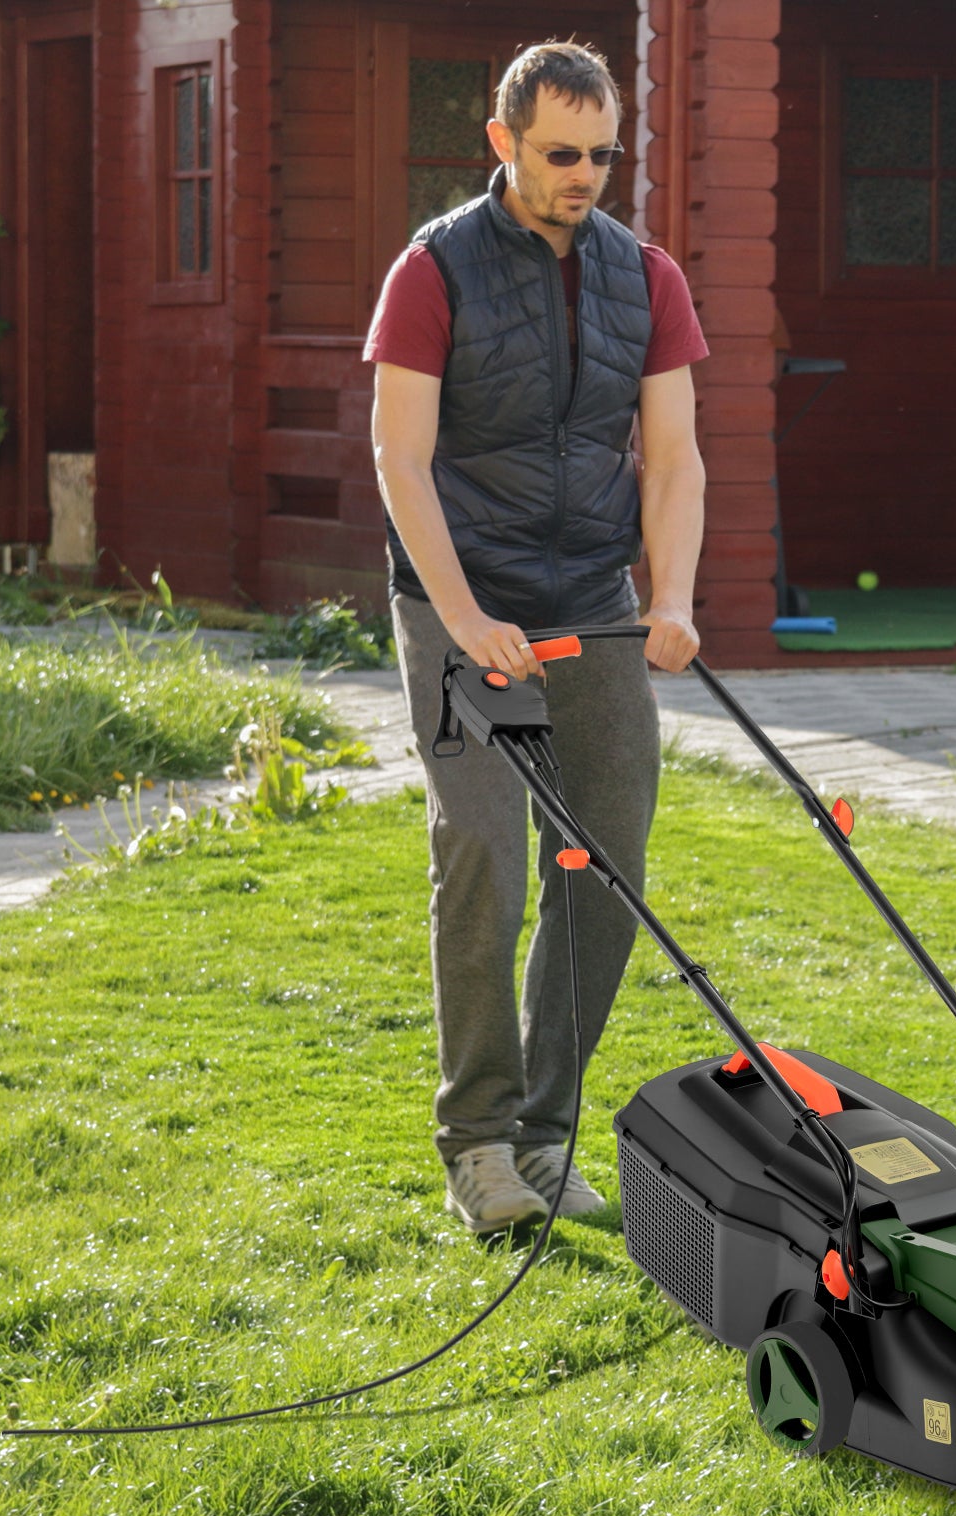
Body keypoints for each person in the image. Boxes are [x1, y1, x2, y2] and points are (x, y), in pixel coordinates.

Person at [365, 40, 708, 1235]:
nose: (584, 176)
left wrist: (672, 598)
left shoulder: (646, 277)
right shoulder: (433, 270)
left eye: (603, 155)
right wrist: (464, 618)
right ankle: (478, 1144)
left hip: (591, 602)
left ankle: (545, 1136)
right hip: (460, 601)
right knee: (484, 858)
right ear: (502, 142)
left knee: (604, 868)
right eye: (561, 153)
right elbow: (399, 457)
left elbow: (674, 457)